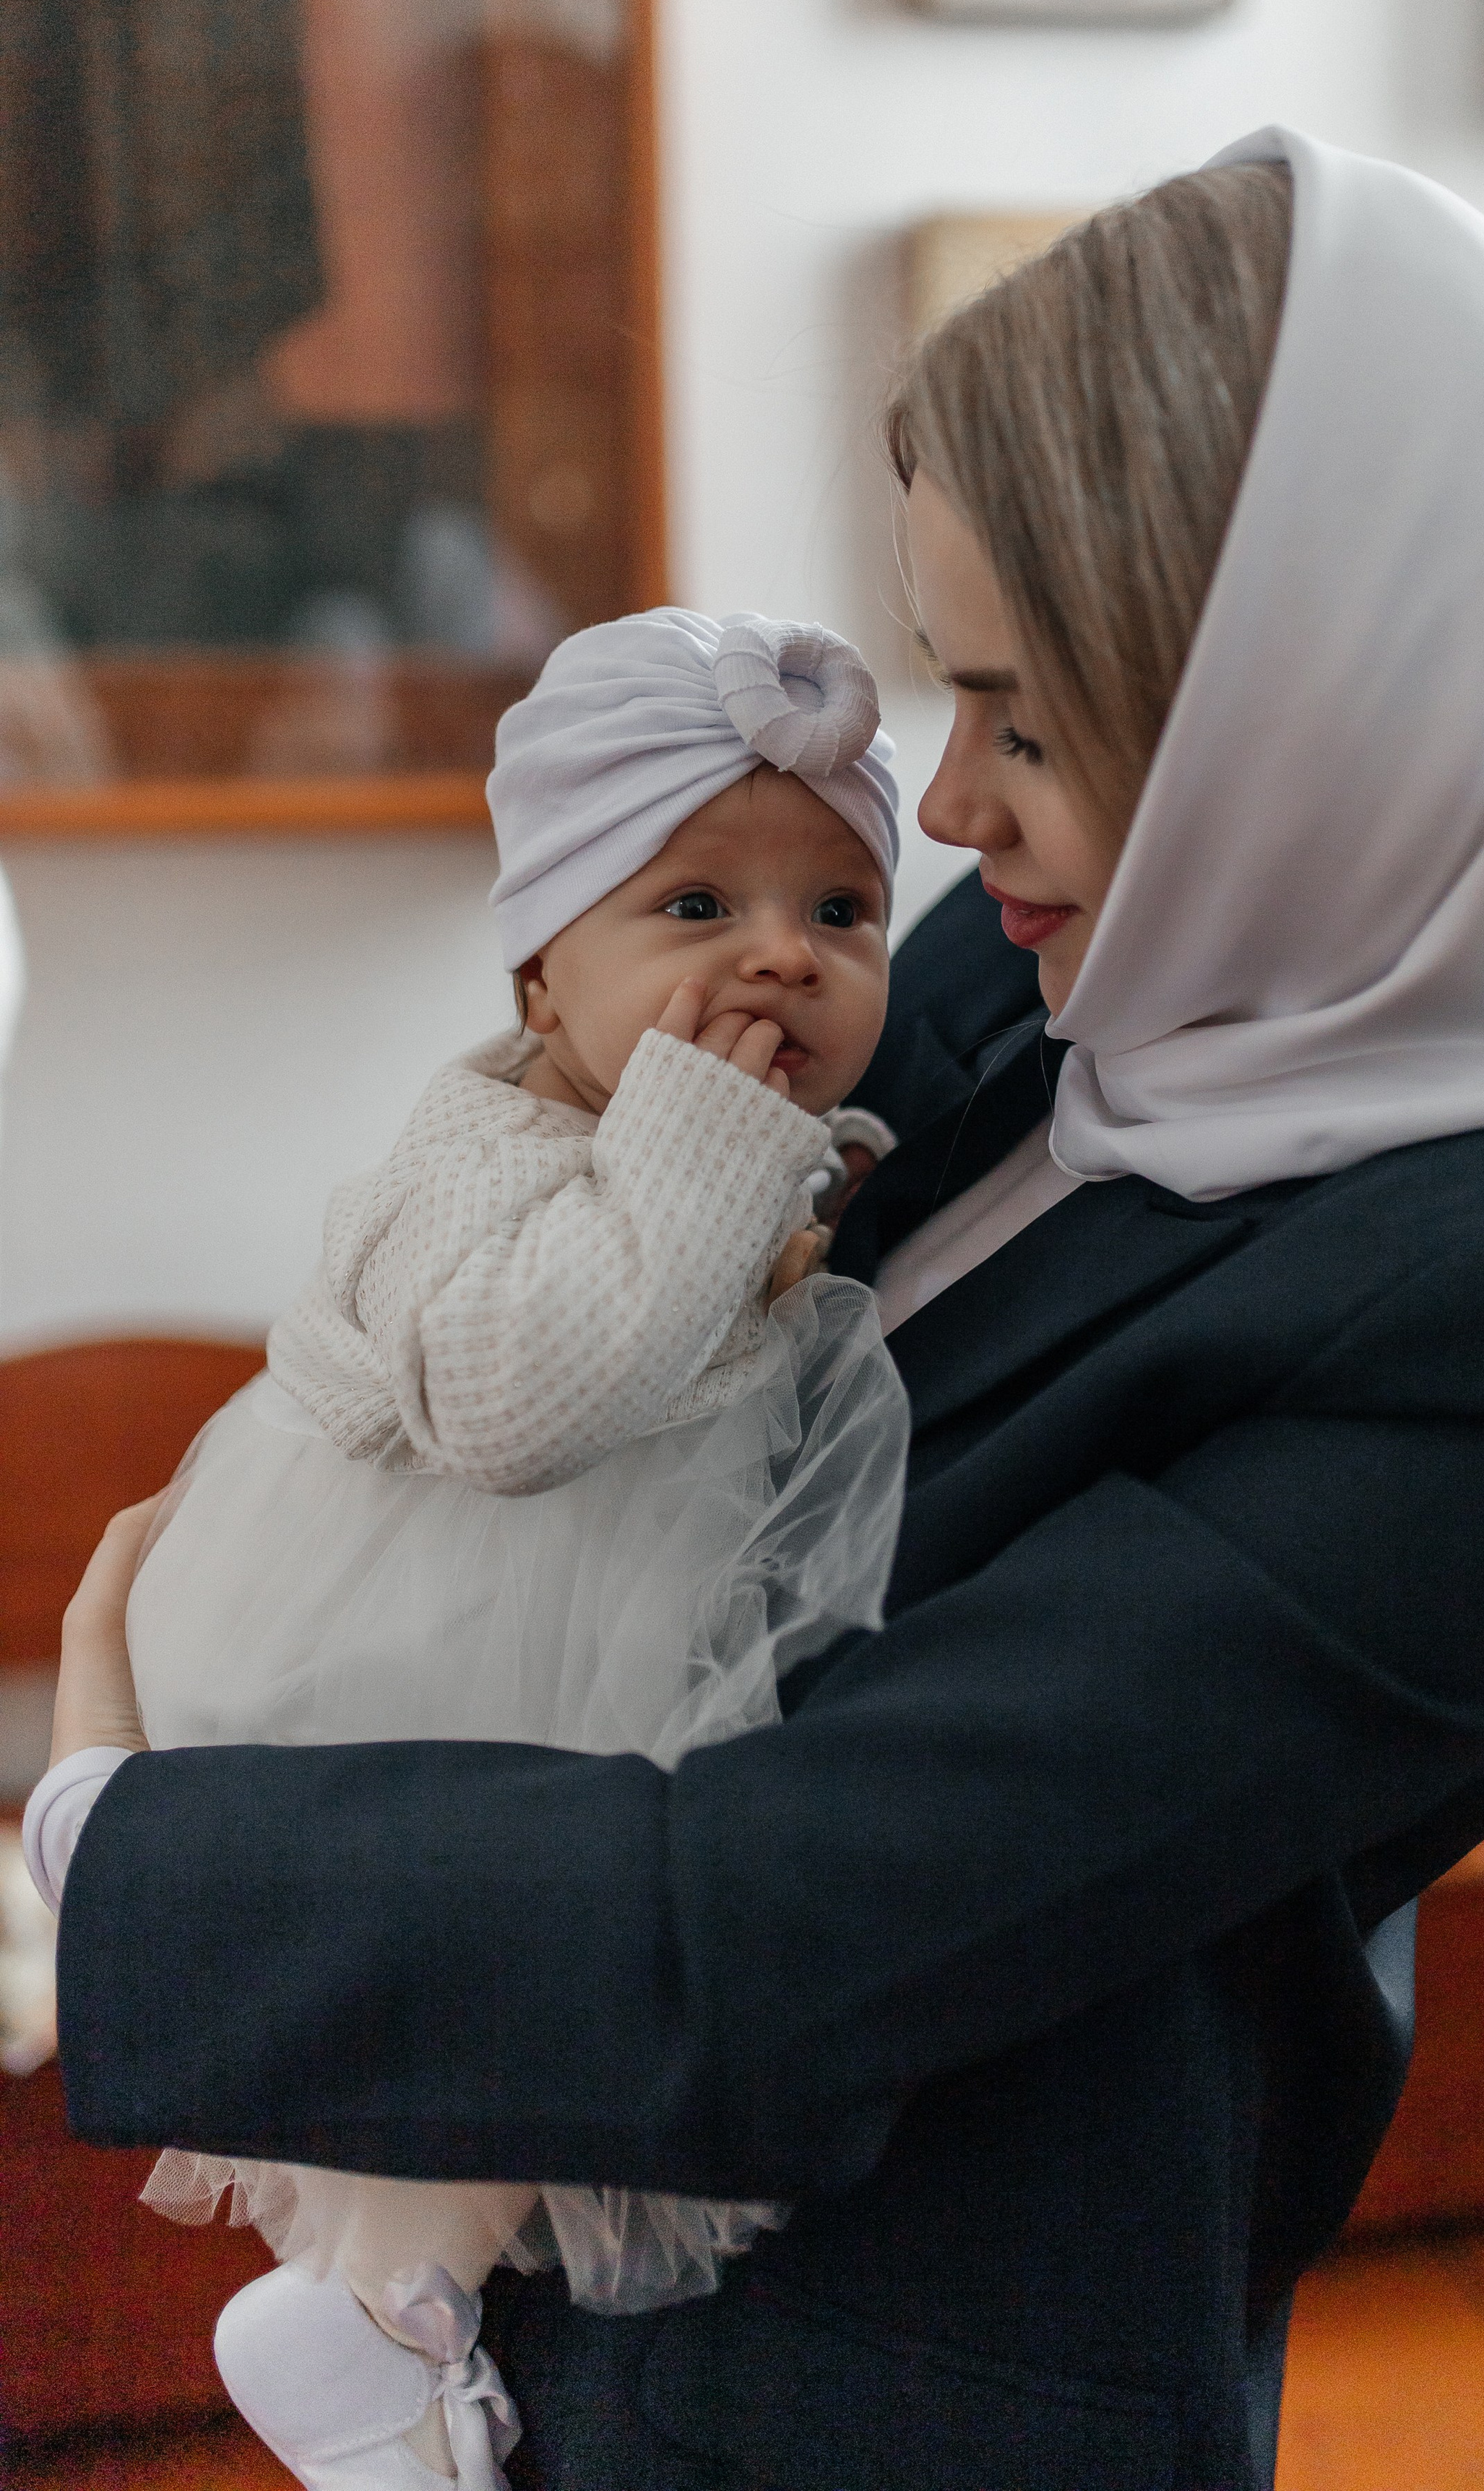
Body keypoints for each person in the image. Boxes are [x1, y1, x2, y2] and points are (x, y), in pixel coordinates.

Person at [35, 129, 1484, 2491]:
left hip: (869, 2383)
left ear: (1306, 709)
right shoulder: (1146, 936)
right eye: (944, 693)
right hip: (580, 2209)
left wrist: (112, 1837)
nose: (945, 808)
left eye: (1029, 720)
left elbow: (806, 1900)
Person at [61, 612, 912, 2489]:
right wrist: (709, 1140)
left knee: (548, 1992)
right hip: (423, 1623)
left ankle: (384, 2314)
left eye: (841, 910)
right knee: (502, 1967)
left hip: (574, 1621)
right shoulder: (494, 1145)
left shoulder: (724, 1131)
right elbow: (527, 1408)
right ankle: (377, 2317)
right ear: (544, 979)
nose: (779, 952)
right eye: (695, 908)